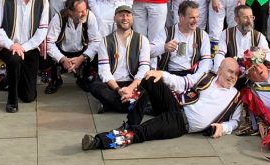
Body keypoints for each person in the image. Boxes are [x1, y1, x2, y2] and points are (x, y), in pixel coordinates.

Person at [81, 57, 244, 150]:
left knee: (142, 132)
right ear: (220, 69)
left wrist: (223, 128)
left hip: (180, 124)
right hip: (175, 106)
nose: (233, 76)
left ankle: (99, 141)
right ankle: (131, 121)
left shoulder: (235, 97)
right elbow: (182, 82)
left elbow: (235, 122)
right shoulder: (207, 77)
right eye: (230, 71)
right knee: (150, 78)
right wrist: (160, 73)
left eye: (236, 74)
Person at [0, 0, 49, 112]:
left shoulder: (42, 0)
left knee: (29, 97)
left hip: (29, 48)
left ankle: (9, 81)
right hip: (9, 47)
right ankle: (12, 100)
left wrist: (24, 47)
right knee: (15, 60)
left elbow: (42, 30)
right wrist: (12, 45)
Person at [89, 4, 150, 114]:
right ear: (115, 18)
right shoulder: (106, 41)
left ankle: (110, 105)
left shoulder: (142, 40)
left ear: (132, 18)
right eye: (121, 15)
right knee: (95, 86)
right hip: (113, 85)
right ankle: (133, 105)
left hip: (133, 82)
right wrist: (118, 90)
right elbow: (104, 71)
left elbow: (144, 68)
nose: (125, 18)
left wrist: (131, 88)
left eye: (128, 15)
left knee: (151, 84)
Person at [45, 0, 101, 93]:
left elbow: (95, 41)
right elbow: (49, 43)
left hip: (81, 52)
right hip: (62, 52)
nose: (84, 13)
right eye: (80, 11)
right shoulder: (59, 18)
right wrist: (62, 59)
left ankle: (84, 78)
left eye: (85, 9)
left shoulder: (89, 16)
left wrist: (81, 58)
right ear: (70, 12)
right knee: (45, 52)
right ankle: (55, 79)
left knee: (99, 51)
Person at [156, 0, 212, 85]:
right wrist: (164, 47)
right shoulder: (167, 32)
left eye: (198, 17)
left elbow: (206, 60)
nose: (196, 21)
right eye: (192, 17)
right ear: (181, 17)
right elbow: (150, 50)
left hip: (192, 75)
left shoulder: (202, 35)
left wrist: (195, 77)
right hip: (169, 75)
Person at [214, 4, 270, 70]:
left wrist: (258, 59)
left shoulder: (259, 36)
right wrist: (218, 70)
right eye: (245, 17)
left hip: (253, 73)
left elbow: (268, 54)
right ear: (236, 19)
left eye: (251, 17)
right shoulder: (226, 34)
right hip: (231, 71)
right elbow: (220, 54)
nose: (249, 21)